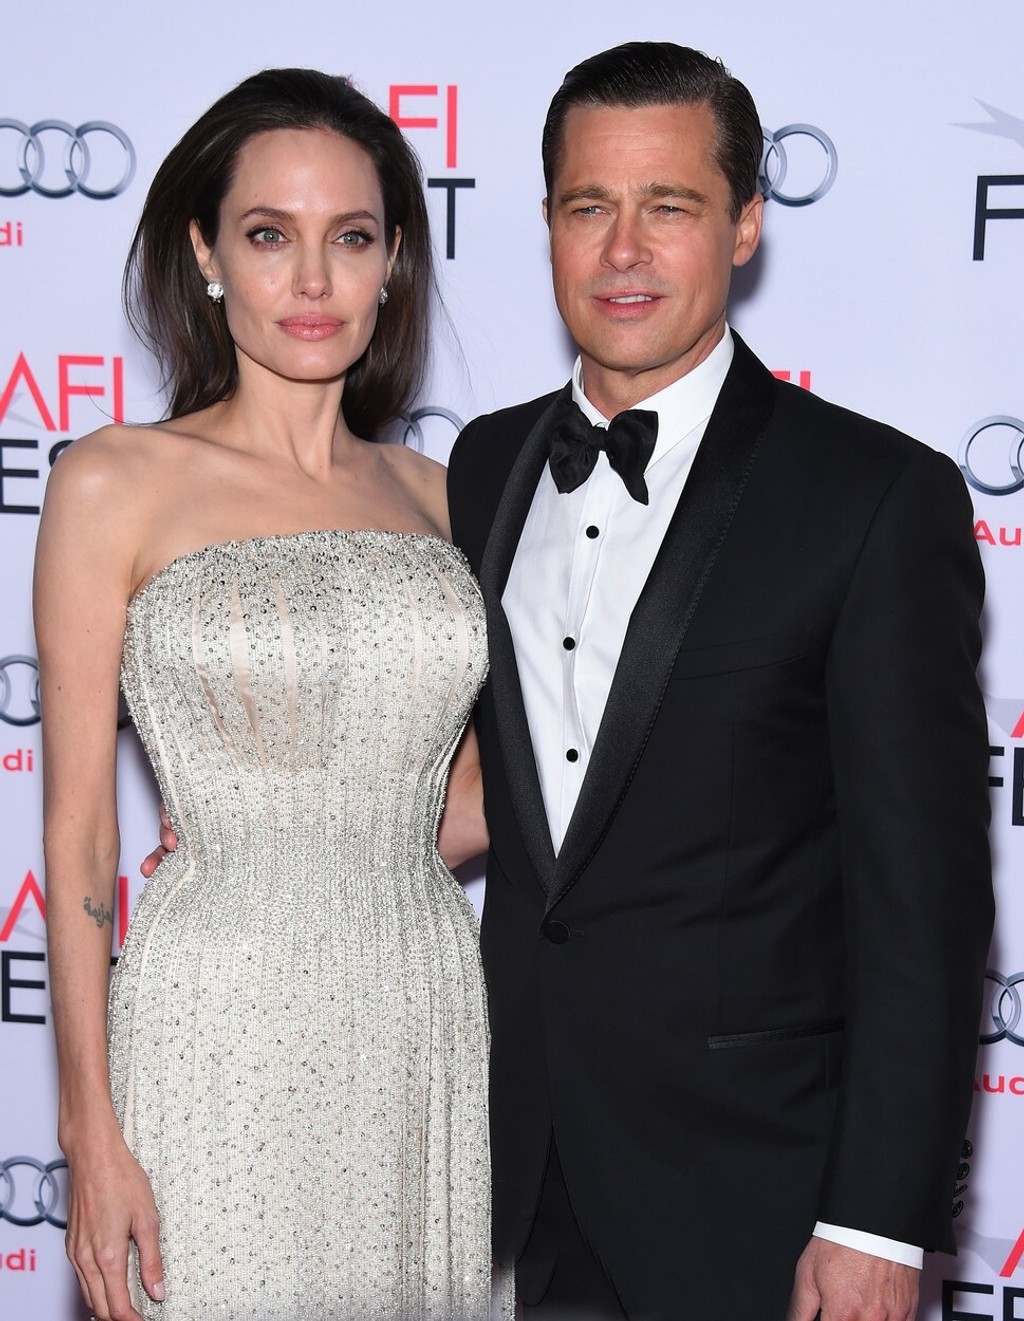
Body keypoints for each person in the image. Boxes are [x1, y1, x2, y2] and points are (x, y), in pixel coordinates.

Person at [444, 42, 994, 1321]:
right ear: (546, 223)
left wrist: (875, 1220)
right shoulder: (481, 466)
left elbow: (923, 906)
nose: (622, 250)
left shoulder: (872, 498)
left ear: (744, 224)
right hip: (516, 1176)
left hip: (760, 1192)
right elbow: (497, 790)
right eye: (588, 206)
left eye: (670, 206)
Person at [35, 68, 507, 1321]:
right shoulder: (113, 482)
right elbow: (77, 829)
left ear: (392, 262)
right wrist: (89, 1130)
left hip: (417, 1005)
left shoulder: (447, 498)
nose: (311, 280)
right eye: (267, 235)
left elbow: (474, 800)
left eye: (349, 238)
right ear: (204, 253)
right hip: (214, 1013)